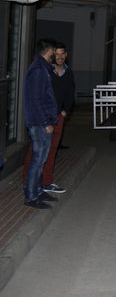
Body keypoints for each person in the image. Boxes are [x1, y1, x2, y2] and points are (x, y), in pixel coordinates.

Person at [23, 39, 59, 209]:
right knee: (38, 159)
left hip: (41, 122)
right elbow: (36, 100)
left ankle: (37, 190)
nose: (55, 54)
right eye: (54, 51)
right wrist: (46, 122)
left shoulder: (42, 68)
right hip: (39, 123)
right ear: (49, 50)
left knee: (41, 159)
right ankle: (31, 196)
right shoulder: (38, 70)